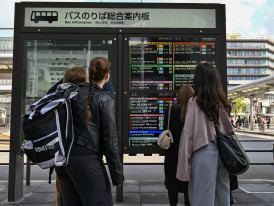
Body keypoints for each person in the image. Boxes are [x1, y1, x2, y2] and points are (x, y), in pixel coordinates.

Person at [55, 57, 123, 206]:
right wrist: (117, 177)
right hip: (86, 160)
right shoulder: (104, 98)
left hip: (63, 160)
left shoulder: (71, 93)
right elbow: (110, 141)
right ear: (107, 76)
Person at [176, 63, 233, 206]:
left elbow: (188, 135)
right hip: (223, 153)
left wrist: (183, 169)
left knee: (202, 198)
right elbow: (229, 130)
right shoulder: (221, 101)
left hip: (203, 152)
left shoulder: (194, 102)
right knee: (222, 197)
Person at [163, 85, 193, 206]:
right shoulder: (194, 110)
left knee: (172, 180)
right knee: (188, 180)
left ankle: (173, 203)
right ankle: (188, 202)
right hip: (190, 151)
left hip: (173, 151)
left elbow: (166, 128)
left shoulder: (171, 109)